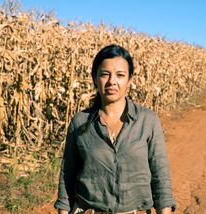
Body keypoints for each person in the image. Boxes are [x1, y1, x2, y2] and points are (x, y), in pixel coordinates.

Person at [54, 44, 176, 214]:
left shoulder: (147, 120)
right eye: (105, 74)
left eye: (120, 75)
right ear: (95, 78)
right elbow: (68, 174)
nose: (112, 81)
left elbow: (160, 175)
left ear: (130, 80)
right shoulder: (79, 122)